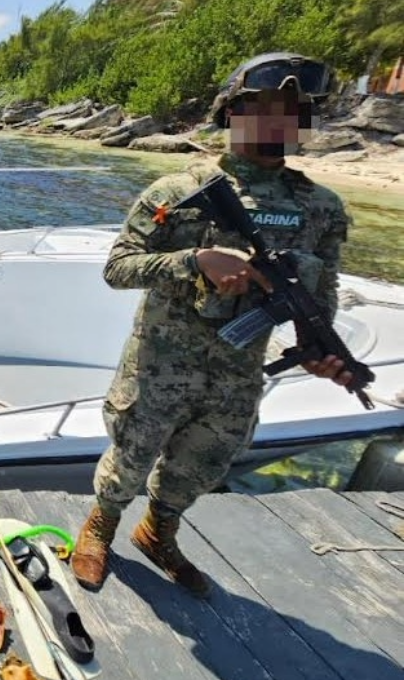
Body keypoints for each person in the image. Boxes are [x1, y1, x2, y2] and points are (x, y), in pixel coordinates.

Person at [70, 52, 355, 598]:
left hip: (237, 374)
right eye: (264, 108)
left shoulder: (321, 207)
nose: (277, 122)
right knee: (130, 457)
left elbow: (323, 290)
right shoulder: (177, 192)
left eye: (291, 112)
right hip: (160, 367)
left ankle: (158, 532)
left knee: (201, 464)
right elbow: (118, 268)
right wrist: (194, 262)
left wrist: (319, 345)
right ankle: (100, 525)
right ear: (232, 113)